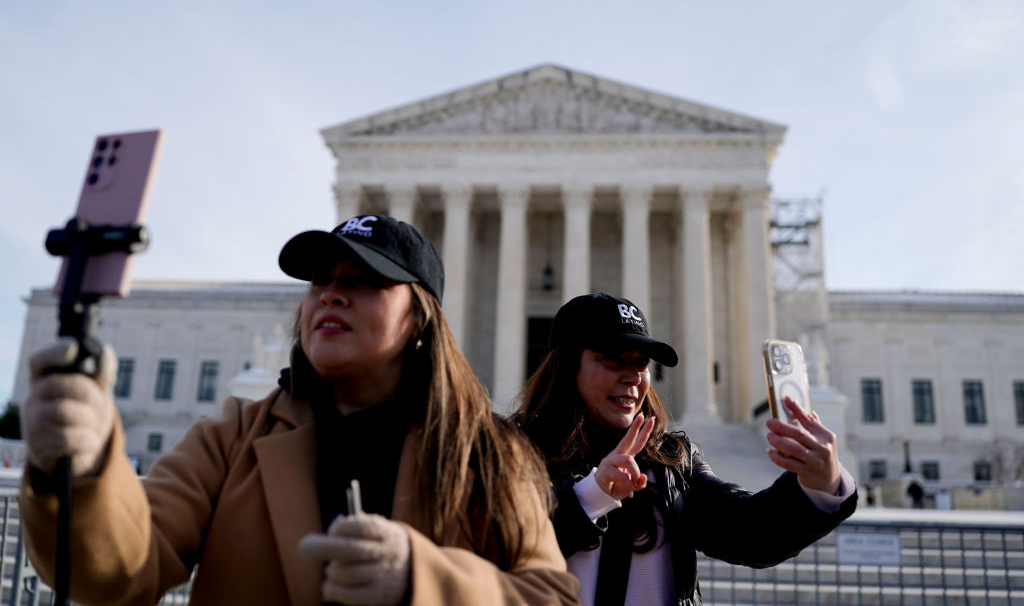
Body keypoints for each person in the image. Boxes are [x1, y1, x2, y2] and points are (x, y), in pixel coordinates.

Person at [20, 215, 580, 606]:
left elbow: (551, 597)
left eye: (364, 282)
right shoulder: (234, 436)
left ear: (419, 322)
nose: (331, 295)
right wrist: (83, 472)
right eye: (321, 281)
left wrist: (421, 582)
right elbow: (119, 570)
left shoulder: (487, 454)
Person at [513, 293, 858, 606]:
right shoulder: (512, 448)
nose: (633, 377)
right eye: (613, 359)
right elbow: (495, 543)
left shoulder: (671, 461)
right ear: (566, 366)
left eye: (640, 363)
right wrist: (590, 495)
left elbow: (750, 534)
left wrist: (819, 485)